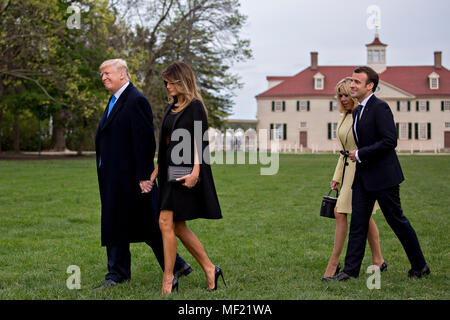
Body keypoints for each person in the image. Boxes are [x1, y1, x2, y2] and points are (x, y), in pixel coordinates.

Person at [94, 59, 192, 290]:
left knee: (143, 224)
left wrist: (144, 177)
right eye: (101, 75)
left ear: (123, 74)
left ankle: (118, 274)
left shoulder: (136, 100)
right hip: (114, 177)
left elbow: (145, 141)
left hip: (132, 178)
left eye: (107, 73)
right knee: (131, 223)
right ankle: (175, 265)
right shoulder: (116, 99)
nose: (104, 78)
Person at [331, 66, 430, 281]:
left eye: (357, 82)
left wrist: (361, 153)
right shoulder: (357, 111)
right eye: (352, 81)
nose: (353, 85)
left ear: (370, 86)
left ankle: (420, 266)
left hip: (384, 177)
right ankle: (350, 271)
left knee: (397, 221)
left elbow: (389, 141)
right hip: (363, 177)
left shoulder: (380, 108)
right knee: (358, 224)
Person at [149, 61, 223, 295]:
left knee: (164, 222)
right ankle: (210, 268)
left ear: (182, 80)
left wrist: (196, 172)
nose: (167, 86)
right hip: (168, 170)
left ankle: (169, 277)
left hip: (185, 171)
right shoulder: (172, 107)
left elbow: (200, 141)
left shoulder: (195, 106)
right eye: (165, 82)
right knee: (177, 226)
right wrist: (157, 168)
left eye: (170, 82)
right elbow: (166, 141)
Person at [322, 78, 386, 281]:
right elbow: (343, 151)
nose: (344, 98)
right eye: (340, 95)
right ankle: (379, 259)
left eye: (347, 94)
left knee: (340, 212)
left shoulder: (361, 117)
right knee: (363, 215)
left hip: (361, 171)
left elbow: (366, 147)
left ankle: (334, 262)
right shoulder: (344, 117)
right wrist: (336, 177)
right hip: (347, 170)